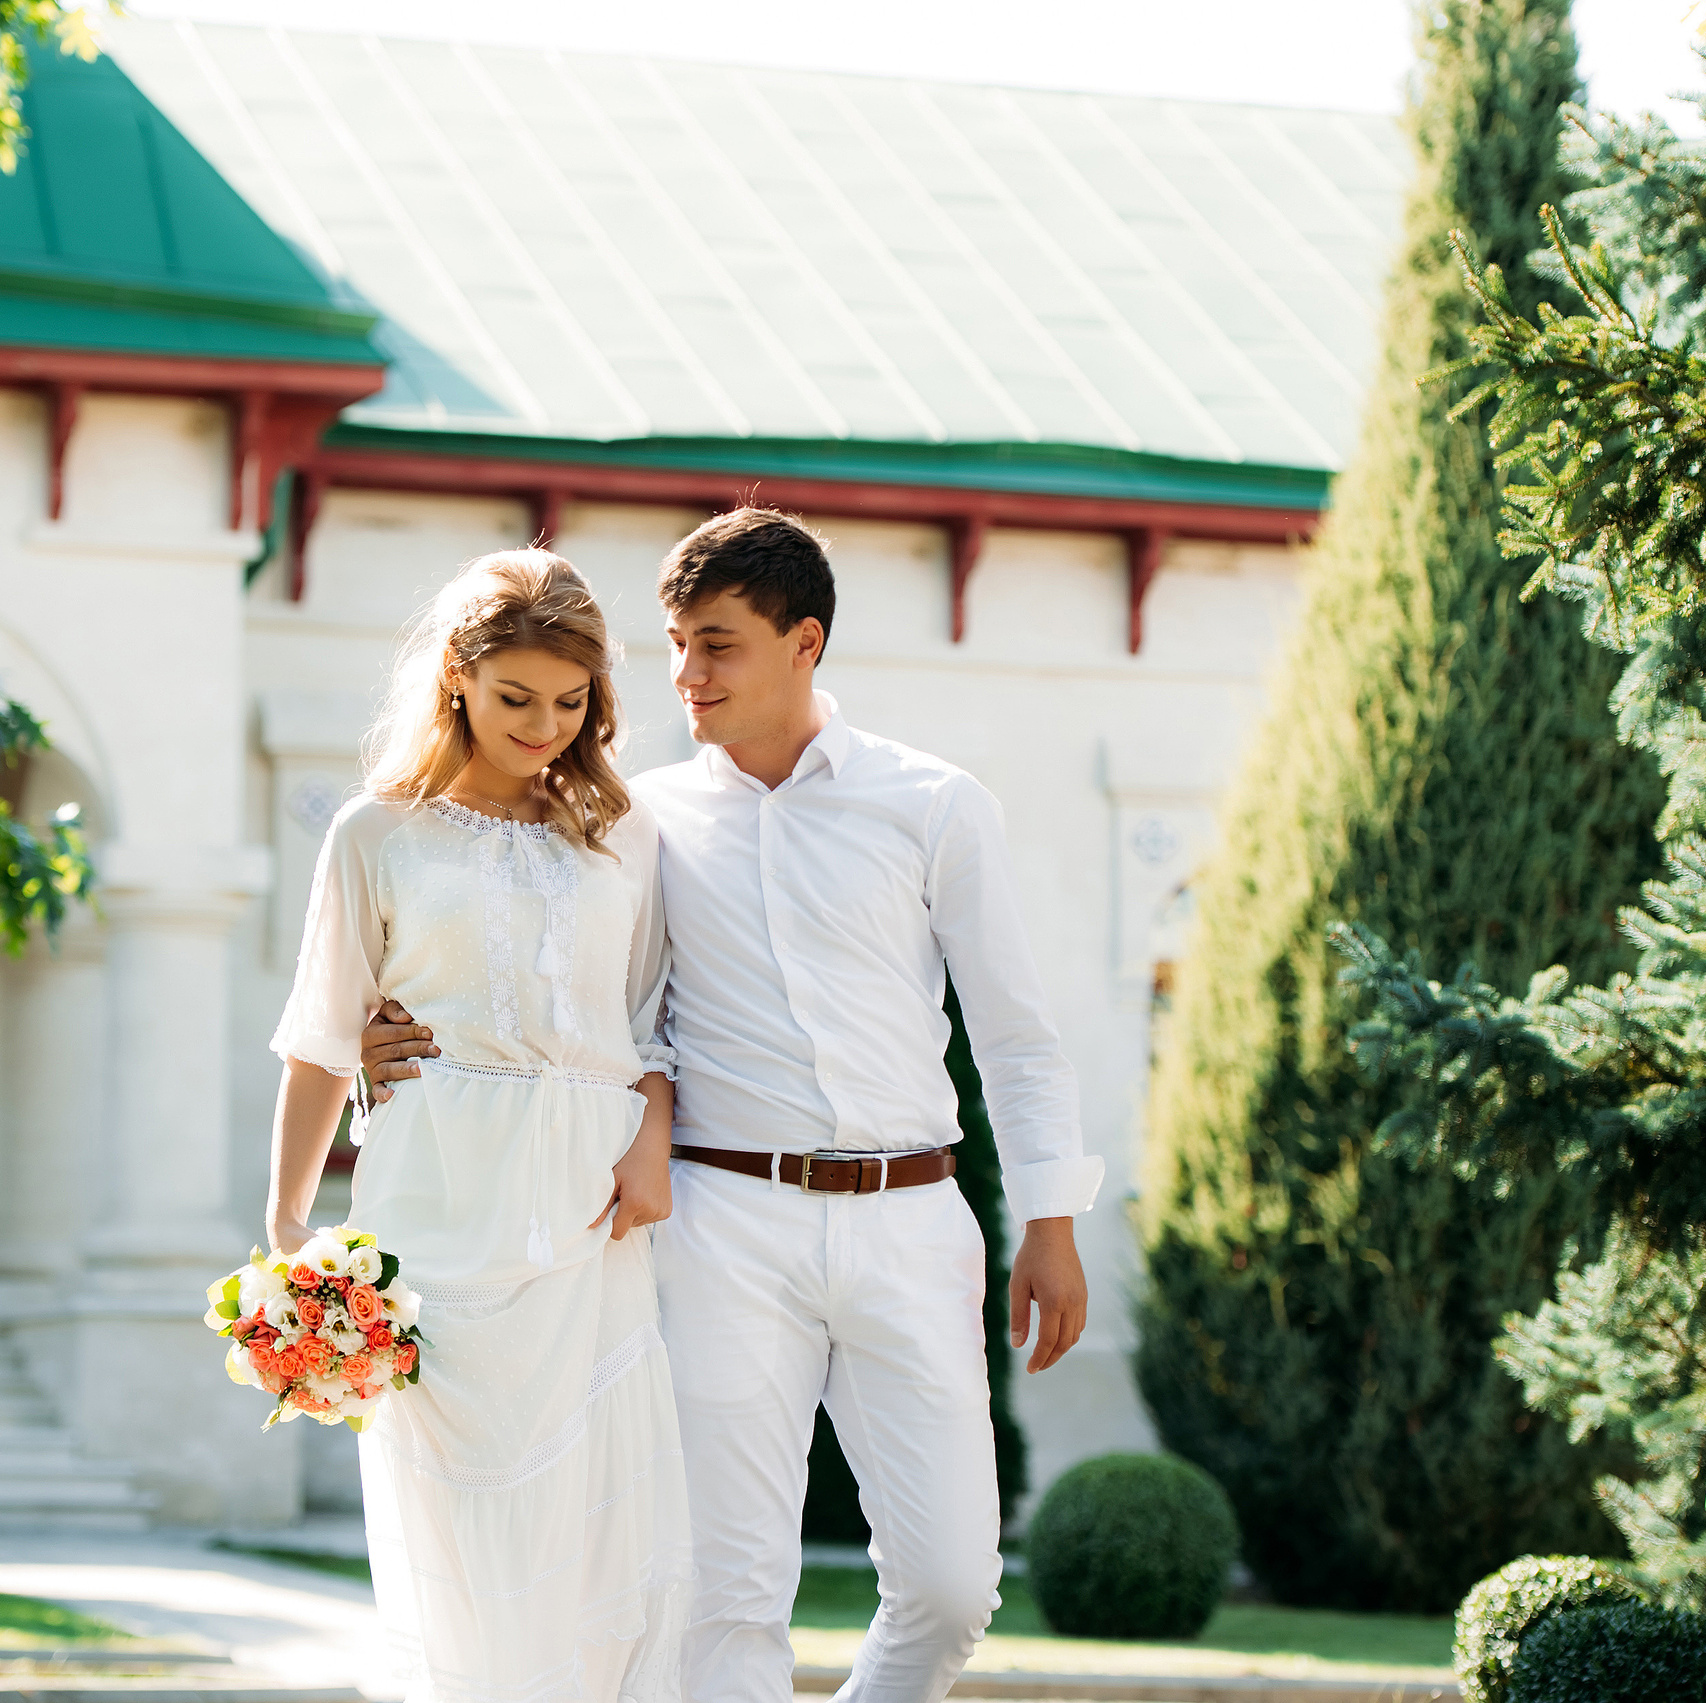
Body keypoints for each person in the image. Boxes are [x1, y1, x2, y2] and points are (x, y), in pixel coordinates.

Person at [363, 509, 1103, 1703]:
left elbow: (1015, 1033)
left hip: (910, 1217)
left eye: (716, 645)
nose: (684, 675)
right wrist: (377, 1021)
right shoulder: (633, 821)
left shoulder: (934, 804)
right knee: (728, 1593)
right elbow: (536, 965)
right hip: (719, 1221)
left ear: (804, 641)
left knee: (952, 1585)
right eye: (673, 644)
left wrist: (1051, 1221)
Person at [265, 550, 689, 1703]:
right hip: (435, 1197)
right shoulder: (374, 831)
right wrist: (289, 1227)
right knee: (458, 1521)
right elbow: (319, 1032)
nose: (545, 725)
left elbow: (654, 1013)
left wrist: (648, 1131)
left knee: (598, 1524)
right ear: (457, 675)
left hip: (589, 1207)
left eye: (571, 702)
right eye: (516, 698)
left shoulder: (622, 833)